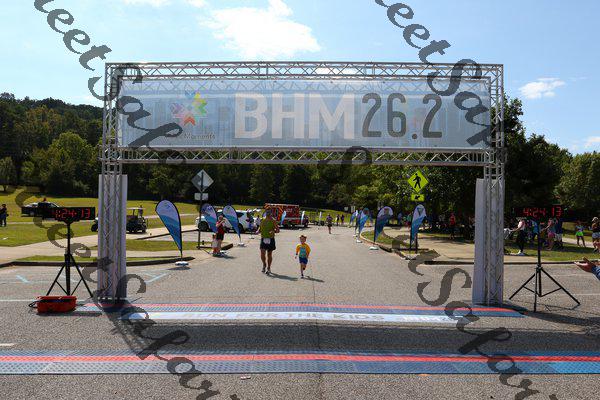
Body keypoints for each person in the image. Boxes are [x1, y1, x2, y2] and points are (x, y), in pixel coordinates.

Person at [259, 210, 279, 274]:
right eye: (267, 212)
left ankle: (269, 267)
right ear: (265, 213)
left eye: (269, 212)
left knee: (269, 254)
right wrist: (258, 230)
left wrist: (273, 231)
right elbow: (260, 228)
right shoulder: (262, 220)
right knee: (262, 253)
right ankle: (264, 264)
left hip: (271, 239)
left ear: (271, 213)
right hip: (263, 238)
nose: (268, 213)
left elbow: (278, 230)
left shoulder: (274, 221)